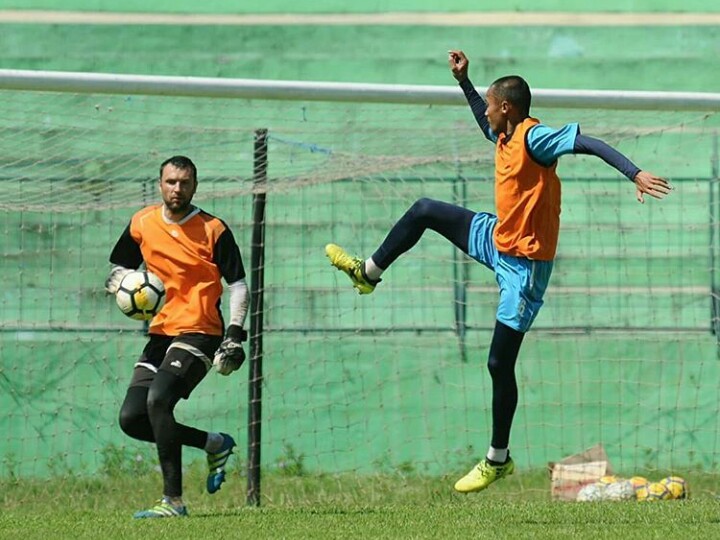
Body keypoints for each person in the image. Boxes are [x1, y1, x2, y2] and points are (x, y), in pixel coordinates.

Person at [324, 50, 672, 494]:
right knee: (425, 210)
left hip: (524, 269)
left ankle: (497, 459)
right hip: (497, 239)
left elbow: (590, 143)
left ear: (505, 108)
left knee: (497, 362)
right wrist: (465, 83)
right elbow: (479, 115)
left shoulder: (534, 138)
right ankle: (367, 273)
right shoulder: (503, 136)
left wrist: (634, 173)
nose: (484, 110)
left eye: (489, 103)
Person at [105, 155, 249, 518]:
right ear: (160, 184)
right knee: (133, 418)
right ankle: (213, 443)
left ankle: (173, 502)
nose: (177, 189)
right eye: (171, 181)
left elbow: (239, 286)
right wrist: (119, 284)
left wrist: (233, 334)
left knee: (158, 401)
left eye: (184, 182)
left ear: (195, 186)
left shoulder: (213, 228)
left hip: (201, 329)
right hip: (162, 330)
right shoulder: (142, 222)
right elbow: (120, 265)